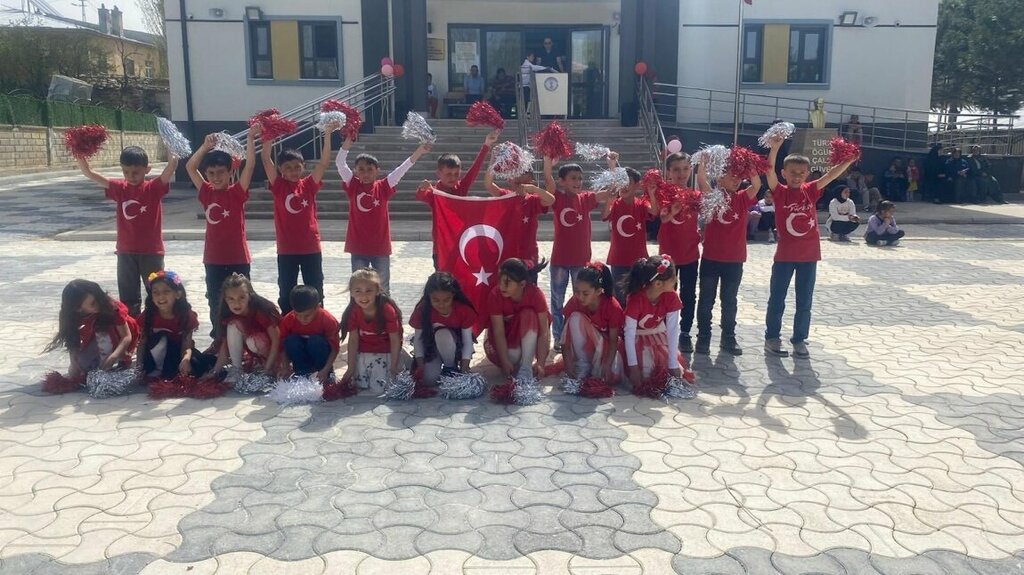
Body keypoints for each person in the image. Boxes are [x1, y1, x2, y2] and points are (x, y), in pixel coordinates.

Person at [764, 135, 859, 359]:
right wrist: (775, 148)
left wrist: (848, 161)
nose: (797, 177)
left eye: (802, 173)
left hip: (809, 256)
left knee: (804, 301)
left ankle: (799, 339)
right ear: (784, 174)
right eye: (793, 173)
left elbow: (831, 175)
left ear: (807, 174)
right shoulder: (780, 192)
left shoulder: (811, 190)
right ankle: (772, 337)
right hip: (784, 256)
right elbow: (768, 170)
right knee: (777, 298)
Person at [76, 145, 179, 316]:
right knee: (128, 298)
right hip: (125, 253)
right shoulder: (119, 188)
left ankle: (155, 328)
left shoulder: (153, 188)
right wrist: (79, 152)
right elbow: (89, 173)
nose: (130, 177)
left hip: (151, 252)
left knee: (157, 293)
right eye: (126, 172)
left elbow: (171, 166)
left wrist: (169, 145)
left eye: (136, 172)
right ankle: (133, 331)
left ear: (147, 169)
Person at [336, 134, 430, 293]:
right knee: (359, 287)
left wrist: (419, 151)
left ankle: (386, 315)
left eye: (370, 169)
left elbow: (402, 169)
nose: (366, 173)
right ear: (355, 171)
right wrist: (347, 142)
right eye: (361, 169)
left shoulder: (384, 186)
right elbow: (339, 163)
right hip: (358, 246)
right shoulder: (353, 185)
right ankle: (357, 315)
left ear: (377, 171)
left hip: (380, 247)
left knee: (383, 287)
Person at [185, 129, 257, 333]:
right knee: (216, 300)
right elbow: (190, 167)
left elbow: (250, 166)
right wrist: (205, 147)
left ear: (230, 172)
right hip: (213, 258)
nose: (216, 177)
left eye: (221, 173)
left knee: (243, 300)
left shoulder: (237, 192)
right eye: (211, 173)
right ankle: (219, 339)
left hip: (238, 257)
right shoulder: (206, 192)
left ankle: (245, 338)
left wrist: (251, 139)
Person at [259, 124, 334, 314]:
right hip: (287, 249)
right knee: (286, 291)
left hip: (310, 247)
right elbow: (266, 160)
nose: (293, 171)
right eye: (288, 168)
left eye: (297, 167)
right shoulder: (278, 185)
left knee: (316, 288)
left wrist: (326, 135)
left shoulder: (308, 185)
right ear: (281, 170)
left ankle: (318, 324)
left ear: (303, 167)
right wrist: (267, 135)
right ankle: (287, 324)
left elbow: (324, 163)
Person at [543, 157, 613, 347]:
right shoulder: (556, 198)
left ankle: (579, 335)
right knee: (557, 301)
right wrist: (547, 161)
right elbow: (548, 182)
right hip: (560, 260)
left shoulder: (586, 199)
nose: (578, 182)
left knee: (581, 300)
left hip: (581, 261)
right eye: (573, 178)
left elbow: (609, 193)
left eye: (580, 178)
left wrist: (613, 166)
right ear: (562, 181)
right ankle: (558, 337)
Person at [695, 164, 763, 356]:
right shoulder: (713, 197)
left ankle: (728, 338)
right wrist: (703, 162)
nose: (736, 179)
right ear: (719, 179)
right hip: (710, 258)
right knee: (706, 300)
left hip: (734, 260)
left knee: (729, 301)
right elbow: (701, 181)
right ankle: (703, 337)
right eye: (730, 176)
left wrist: (749, 164)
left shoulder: (742, 198)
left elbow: (757, 184)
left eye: (738, 177)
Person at [417, 130, 501, 269]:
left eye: (456, 174)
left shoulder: (461, 187)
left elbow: (474, 170)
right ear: (438, 173)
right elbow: (421, 196)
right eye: (448, 174)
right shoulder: (434, 193)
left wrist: (486, 146)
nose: (452, 177)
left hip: (461, 242)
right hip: (441, 247)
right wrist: (422, 189)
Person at [647, 151, 701, 353]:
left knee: (688, 294)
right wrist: (672, 211)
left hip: (690, 255)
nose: (681, 173)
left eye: (686, 169)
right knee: (665, 292)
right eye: (676, 169)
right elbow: (661, 217)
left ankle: (685, 332)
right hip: (668, 257)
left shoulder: (695, 196)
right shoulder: (664, 194)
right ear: (668, 171)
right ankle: (662, 328)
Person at [46, 279, 139, 378]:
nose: (98, 304)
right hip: (96, 334)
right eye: (93, 303)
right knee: (84, 366)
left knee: (108, 365)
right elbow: (72, 340)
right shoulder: (70, 315)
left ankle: (123, 358)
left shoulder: (111, 307)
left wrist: (114, 356)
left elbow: (126, 336)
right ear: (78, 309)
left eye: (98, 299)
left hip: (119, 334)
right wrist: (74, 364)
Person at [622, 255, 692, 386]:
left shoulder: (671, 297)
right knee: (646, 371)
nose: (676, 281)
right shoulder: (636, 299)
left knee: (663, 370)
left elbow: (672, 330)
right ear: (658, 283)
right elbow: (629, 333)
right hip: (637, 337)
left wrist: (673, 363)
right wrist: (633, 367)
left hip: (658, 336)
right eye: (673, 279)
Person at [137, 271, 216, 379]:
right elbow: (142, 343)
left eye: (166, 291)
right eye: (156, 292)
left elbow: (186, 345)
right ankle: (158, 369)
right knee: (162, 339)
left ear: (178, 294)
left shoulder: (186, 316)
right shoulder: (148, 315)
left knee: (195, 366)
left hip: (178, 353)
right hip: (154, 354)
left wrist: (185, 360)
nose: (161, 296)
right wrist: (139, 367)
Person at [484, 258, 551, 381]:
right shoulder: (495, 295)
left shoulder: (535, 294)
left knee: (528, 314)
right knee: (512, 358)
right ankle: (520, 358)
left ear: (522, 284)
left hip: (529, 338)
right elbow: (498, 331)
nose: (501, 286)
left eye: (507, 282)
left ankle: (526, 367)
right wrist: (504, 360)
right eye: (500, 280)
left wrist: (541, 362)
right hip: (506, 340)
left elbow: (544, 331)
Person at [210, 273, 281, 384]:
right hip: (256, 350)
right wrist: (215, 371)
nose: (236, 303)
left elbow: (277, 339)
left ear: (250, 295)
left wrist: (267, 369)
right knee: (233, 325)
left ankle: (270, 366)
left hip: (276, 352)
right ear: (225, 299)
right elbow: (226, 344)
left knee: (253, 341)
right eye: (231, 299)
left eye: (242, 297)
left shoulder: (261, 310)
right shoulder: (228, 313)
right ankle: (237, 370)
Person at [602, 159, 655, 305]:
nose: (624, 187)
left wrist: (652, 193)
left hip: (639, 260)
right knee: (619, 297)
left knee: (638, 295)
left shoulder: (642, 203)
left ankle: (636, 325)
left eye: (628, 183)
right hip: (618, 259)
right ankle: (621, 326)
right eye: (621, 183)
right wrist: (609, 199)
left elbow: (655, 211)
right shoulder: (614, 204)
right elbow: (605, 215)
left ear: (637, 185)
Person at [339, 268, 403, 391]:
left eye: (369, 290)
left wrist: (394, 366)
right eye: (358, 291)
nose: (363, 296)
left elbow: (395, 339)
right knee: (359, 385)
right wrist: (350, 367)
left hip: (385, 352)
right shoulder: (354, 311)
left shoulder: (387, 309)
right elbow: (353, 340)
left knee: (380, 387)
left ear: (377, 291)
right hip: (363, 353)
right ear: (351, 293)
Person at [484, 157, 556, 265]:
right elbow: (489, 185)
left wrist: (535, 189)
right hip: (507, 252)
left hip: (528, 254)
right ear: (510, 179)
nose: (519, 175)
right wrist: (493, 159)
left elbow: (551, 199)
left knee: (528, 281)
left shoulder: (532, 200)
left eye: (523, 172)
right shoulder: (505, 196)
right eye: (516, 172)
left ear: (530, 181)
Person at [410, 272, 477, 386]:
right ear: (429, 297)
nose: (441, 305)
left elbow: (467, 341)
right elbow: (418, 340)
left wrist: (465, 368)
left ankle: (450, 368)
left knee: (443, 335)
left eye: (446, 300)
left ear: (453, 296)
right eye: (435, 300)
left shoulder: (464, 310)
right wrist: (420, 366)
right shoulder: (422, 310)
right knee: (429, 380)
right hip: (432, 347)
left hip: (454, 348)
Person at [561, 262, 623, 383]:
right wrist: (567, 364)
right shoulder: (575, 301)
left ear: (599, 291)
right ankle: (582, 364)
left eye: (585, 293)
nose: (580, 297)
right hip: (583, 351)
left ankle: (596, 366)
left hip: (606, 349)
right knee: (574, 318)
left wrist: (607, 364)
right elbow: (565, 336)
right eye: (577, 291)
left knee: (609, 375)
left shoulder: (612, 306)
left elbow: (613, 340)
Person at [278, 284, 340, 384]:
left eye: (307, 315)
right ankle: (301, 373)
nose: (302, 319)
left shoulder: (328, 320)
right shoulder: (289, 319)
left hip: (321, 355)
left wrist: (325, 369)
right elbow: (282, 346)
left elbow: (334, 349)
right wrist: (285, 367)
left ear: (318, 307)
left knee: (315, 341)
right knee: (291, 341)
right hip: (301, 355)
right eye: (298, 315)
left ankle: (326, 374)